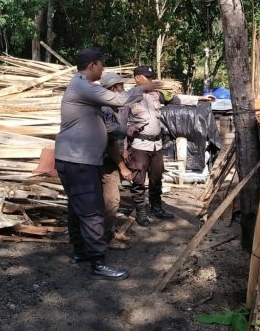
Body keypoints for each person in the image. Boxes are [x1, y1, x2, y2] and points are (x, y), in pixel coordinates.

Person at [54, 48, 161, 280]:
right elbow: (120, 99)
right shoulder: (84, 86)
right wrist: (142, 88)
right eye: (101, 65)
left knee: (77, 207)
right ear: (92, 65)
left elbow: (109, 123)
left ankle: (80, 252)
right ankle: (98, 262)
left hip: (74, 159)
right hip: (78, 160)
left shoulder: (81, 86)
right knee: (93, 210)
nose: (103, 70)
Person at [126, 65, 213, 226]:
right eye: (147, 78)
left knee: (156, 177)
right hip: (139, 144)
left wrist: (200, 99)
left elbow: (176, 99)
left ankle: (156, 207)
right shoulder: (129, 97)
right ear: (137, 78)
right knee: (138, 179)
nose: (151, 81)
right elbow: (120, 120)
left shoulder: (156, 95)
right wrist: (127, 135)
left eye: (151, 78)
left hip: (156, 144)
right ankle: (140, 210)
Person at [99, 72, 132, 250]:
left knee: (106, 200)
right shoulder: (106, 109)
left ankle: (109, 232)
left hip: (106, 160)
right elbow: (111, 143)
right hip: (106, 161)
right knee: (111, 201)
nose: (124, 90)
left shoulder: (111, 108)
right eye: (121, 87)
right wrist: (123, 168)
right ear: (113, 89)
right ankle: (106, 239)